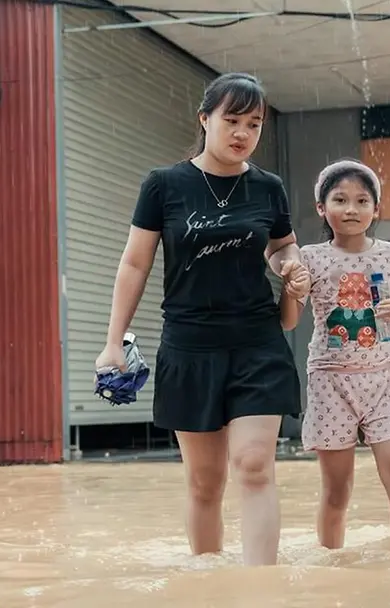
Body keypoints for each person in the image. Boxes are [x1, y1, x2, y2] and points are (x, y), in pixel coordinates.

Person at [94, 72, 311, 567]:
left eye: (253, 124)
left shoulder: (268, 188)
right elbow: (135, 263)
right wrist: (112, 344)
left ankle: (260, 591)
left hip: (257, 341)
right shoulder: (164, 185)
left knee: (254, 465)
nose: (242, 133)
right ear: (205, 119)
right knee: (205, 482)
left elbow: (281, 247)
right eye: (231, 120)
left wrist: (289, 268)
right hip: (189, 347)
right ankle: (210, 586)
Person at [281, 159, 390, 549]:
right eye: (340, 199)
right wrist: (292, 290)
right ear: (321, 208)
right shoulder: (310, 257)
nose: (351, 209)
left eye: (363, 201)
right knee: (337, 491)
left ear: (376, 209)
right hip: (330, 382)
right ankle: (330, 565)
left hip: (384, 379)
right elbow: (290, 321)